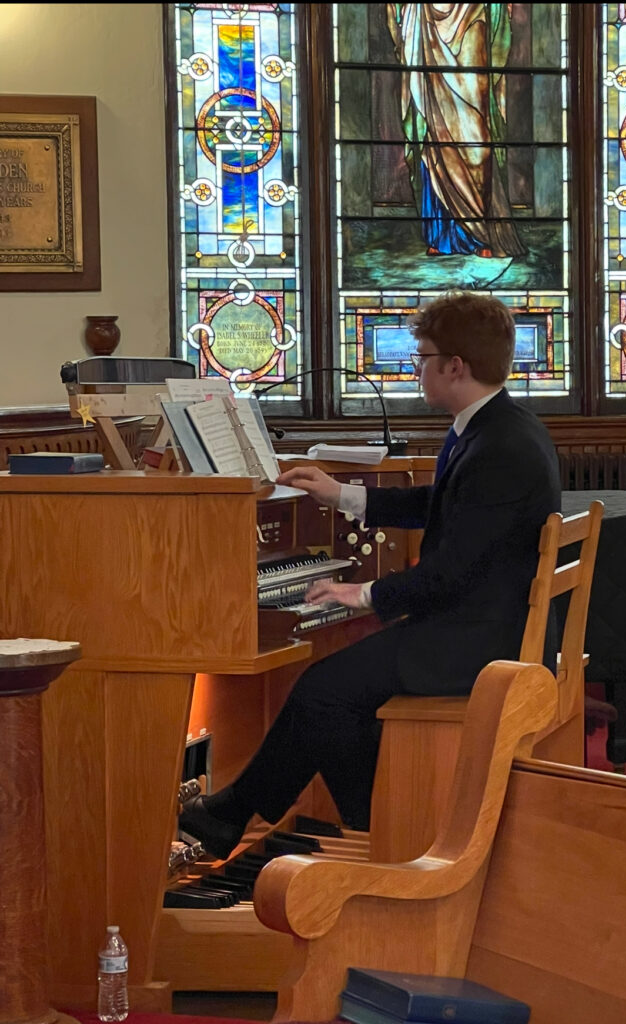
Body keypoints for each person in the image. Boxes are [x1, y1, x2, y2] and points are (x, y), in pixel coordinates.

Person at [179, 291, 560, 860]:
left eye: (422, 357)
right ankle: (279, 816)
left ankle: (369, 831)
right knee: (335, 687)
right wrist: (343, 495)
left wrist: (360, 593)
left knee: (326, 692)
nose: (416, 369)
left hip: (482, 640)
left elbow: (449, 576)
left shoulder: (500, 444)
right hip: (481, 620)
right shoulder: (493, 426)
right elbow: (443, 505)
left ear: (455, 366)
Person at [387, 3, 525, 258]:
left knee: (476, 138)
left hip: (472, 14)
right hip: (426, 18)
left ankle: (481, 232)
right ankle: (443, 236)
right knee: (435, 135)